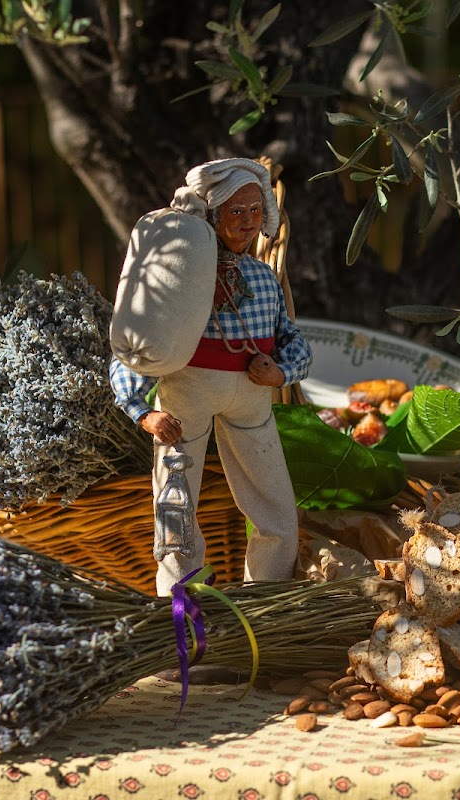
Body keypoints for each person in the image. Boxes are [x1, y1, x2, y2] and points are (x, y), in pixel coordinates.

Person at [110, 158, 312, 596]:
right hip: (184, 404)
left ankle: (267, 597)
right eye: (236, 212)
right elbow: (140, 350)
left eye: (255, 211)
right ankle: (184, 604)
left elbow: (294, 343)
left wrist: (279, 371)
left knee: (274, 501)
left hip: (251, 405)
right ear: (214, 216)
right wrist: (143, 413)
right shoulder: (183, 279)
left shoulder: (264, 279)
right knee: (176, 505)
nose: (247, 222)